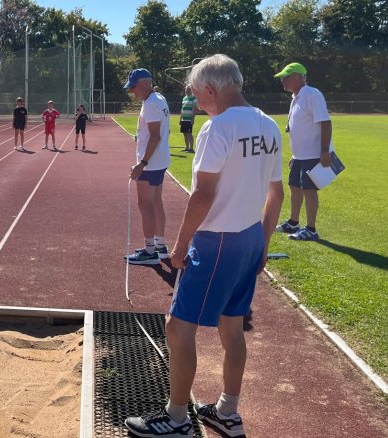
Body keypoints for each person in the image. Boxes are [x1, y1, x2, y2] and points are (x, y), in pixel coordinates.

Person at [123, 54, 284, 438]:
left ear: (211, 90)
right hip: (247, 238)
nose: (195, 103)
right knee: (232, 328)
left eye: (196, 96)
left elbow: (202, 195)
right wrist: (262, 243)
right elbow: (276, 193)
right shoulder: (269, 124)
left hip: (217, 242)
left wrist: (179, 247)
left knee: (178, 328)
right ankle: (227, 411)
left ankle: (177, 418)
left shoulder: (218, 128)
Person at [273, 62, 333, 241]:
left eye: (286, 77)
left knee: (309, 189)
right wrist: (294, 154)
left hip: (313, 153)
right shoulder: (296, 97)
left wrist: (324, 151)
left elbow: (325, 122)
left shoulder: (312, 94)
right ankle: (293, 222)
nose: (283, 81)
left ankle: (311, 229)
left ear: (299, 77)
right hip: (300, 155)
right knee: (294, 186)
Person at [124, 68, 171, 264]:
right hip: (159, 160)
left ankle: (150, 250)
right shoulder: (158, 98)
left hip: (150, 163)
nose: (133, 92)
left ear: (145, 84)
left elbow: (155, 135)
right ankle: (160, 245)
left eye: (134, 87)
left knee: (145, 204)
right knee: (156, 202)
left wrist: (141, 164)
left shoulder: (151, 103)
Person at [180, 86, 198, 152]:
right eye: (186, 89)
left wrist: (192, 119)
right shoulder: (184, 98)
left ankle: (191, 148)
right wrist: (180, 118)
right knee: (184, 133)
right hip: (183, 119)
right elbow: (182, 109)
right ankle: (187, 147)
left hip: (189, 119)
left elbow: (194, 109)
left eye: (188, 90)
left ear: (191, 90)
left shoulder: (194, 98)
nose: (187, 91)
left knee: (189, 133)